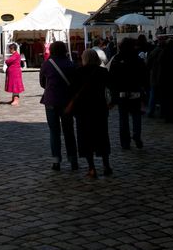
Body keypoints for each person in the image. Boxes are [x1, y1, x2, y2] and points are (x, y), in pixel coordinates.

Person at [67, 48, 111, 178]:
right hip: (100, 108)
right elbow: (112, 87)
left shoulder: (78, 72)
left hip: (83, 110)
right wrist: (111, 103)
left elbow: (72, 91)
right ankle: (106, 165)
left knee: (86, 138)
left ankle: (91, 168)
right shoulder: (102, 72)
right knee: (102, 136)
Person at [39, 40, 78, 171]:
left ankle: (56, 161)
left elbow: (42, 83)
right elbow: (74, 83)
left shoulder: (47, 64)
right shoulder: (71, 64)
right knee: (69, 131)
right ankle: (73, 160)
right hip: (66, 101)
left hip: (51, 100)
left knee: (54, 132)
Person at [109, 36, 148, 149]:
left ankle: (125, 143)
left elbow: (112, 78)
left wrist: (114, 93)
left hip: (122, 93)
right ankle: (136, 135)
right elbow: (144, 76)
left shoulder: (116, 59)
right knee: (136, 115)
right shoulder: (137, 59)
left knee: (123, 118)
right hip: (135, 91)